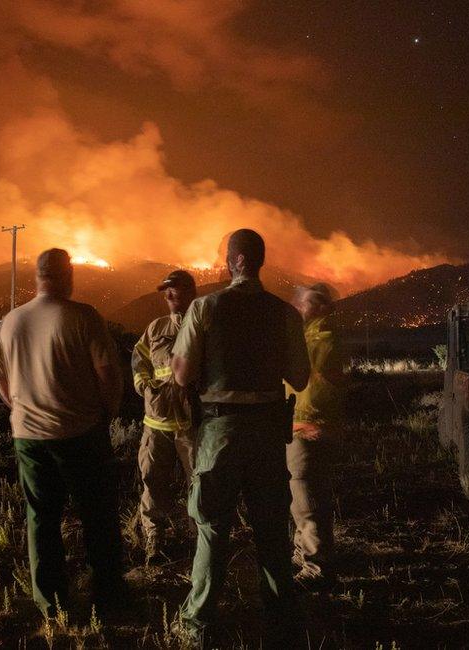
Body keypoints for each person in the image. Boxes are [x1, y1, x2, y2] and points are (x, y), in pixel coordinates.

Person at [170, 229, 311, 644]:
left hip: (220, 431)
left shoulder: (205, 308)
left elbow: (181, 373)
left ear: (235, 261)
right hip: (268, 432)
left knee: (213, 526)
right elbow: (299, 378)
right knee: (270, 527)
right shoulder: (285, 314)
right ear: (259, 261)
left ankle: (198, 621)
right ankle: (281, 618)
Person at [0, 248, 125, 617]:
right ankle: (107, 595)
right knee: (97, 514)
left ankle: (50, 602)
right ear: (68, 275)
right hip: (79, 432)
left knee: (41, 517)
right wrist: (107, 411)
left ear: (36, 276)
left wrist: (19, 407)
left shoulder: (11, 321)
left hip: (28, 437)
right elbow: (108, 372)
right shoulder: (83, 317)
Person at [131, 270, 197, 562]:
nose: (168, 295)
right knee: (153, 484)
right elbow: (139, 359)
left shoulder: (201, 326)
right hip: (156, 424)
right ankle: (153, 542)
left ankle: (202, 543)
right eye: (165, 291)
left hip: (193, 426)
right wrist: (143, 384)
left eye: (175, 290)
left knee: (201, 486)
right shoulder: (156, 328)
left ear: (190, 292)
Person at [287, 283, 346, 591]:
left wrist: (306, 424)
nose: (300, 307)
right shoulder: (313, 335)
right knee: (304, 497)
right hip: (304, 426)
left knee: (307, 497)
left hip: (307, 429)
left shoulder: (322, 338)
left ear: (323, 307)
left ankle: (316, 568)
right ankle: (305, 555)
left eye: (307, 303)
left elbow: (317, 385)